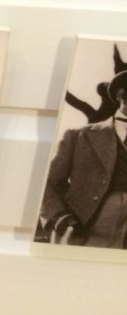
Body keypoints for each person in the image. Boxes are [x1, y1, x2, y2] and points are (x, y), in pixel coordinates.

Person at [39, 70, 127, 248]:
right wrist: (60, 218)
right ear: (121, 94)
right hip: (85, 229)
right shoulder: (78, 136)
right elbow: (46, 183)